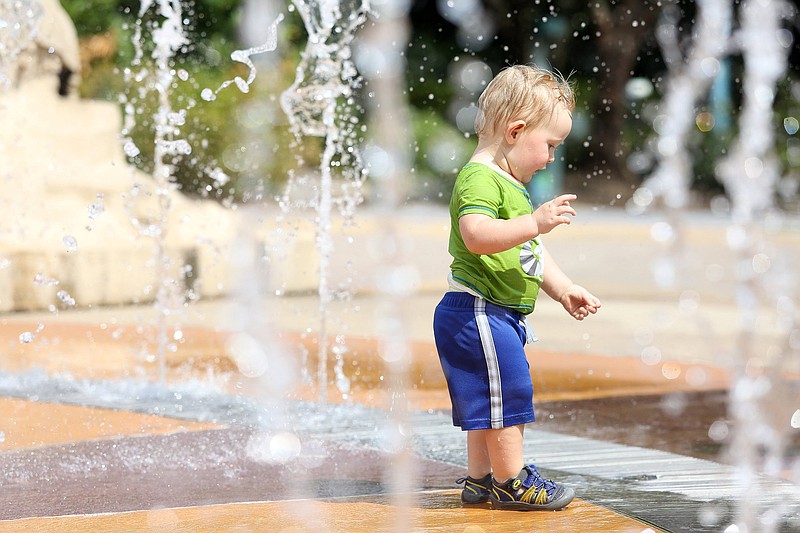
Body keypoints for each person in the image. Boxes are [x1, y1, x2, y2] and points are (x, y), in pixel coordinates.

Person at [433, 64, 601, 511]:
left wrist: (563, 287)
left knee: (488, 400)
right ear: (515, 130)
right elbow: (476, 235)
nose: (549, 159)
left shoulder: (507, 181)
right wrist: (534, 221)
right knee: (508, 395)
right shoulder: (480, 178)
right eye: (548, 146)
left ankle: (480, 479)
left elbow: (529, 252)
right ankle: (511, 482)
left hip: (489, 313)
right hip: (478, 311)